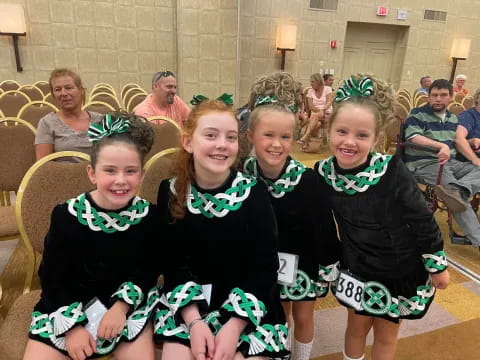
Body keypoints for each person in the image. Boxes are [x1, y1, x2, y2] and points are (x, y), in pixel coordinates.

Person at [314, 75, 449, 360]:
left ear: (376, 139)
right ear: (329, 130)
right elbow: (318, 224)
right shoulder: (322, 173)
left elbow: (421, 218)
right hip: (356, 265)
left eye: (362, 136)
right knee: (355, 328)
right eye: (342, 131)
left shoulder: (391, 169)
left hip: (399, 268)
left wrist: (436, 265)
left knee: (386, 336)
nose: (349, 142)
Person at [154, 99, 289, 360]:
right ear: (188, 142)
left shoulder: (253, 191)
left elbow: (264, 265)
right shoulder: (169, 191)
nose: (222, 145)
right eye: (211, 135)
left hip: (248, 302)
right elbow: (172, 264)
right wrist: (194, 323)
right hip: (190, 304)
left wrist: (234, 327)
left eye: (230, 137)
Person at [24, 112, 161, 360]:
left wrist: (121, 308)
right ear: (92, 173)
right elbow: (53, 275)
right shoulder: (66, 215)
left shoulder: (149, 216)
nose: (121, 180)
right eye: (110, 170)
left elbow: (147, 269)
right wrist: (73, 328)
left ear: (142, 175)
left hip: (126, 305)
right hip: (69, 302)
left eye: (131, 171)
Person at [244, 98, 340, 360]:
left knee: (303, 315)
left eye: (285, 137)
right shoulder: (243, 174)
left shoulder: (308, 180)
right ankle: (281, 353)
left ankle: (301, 357)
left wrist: (328, 264)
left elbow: (324, 225)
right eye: (268, 135)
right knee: (279, 311)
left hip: (304, 260)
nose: (277, 144)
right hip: (266, 259)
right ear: (251, 136)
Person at [404, 79, 480, 247]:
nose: (438, 99)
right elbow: (413, 137)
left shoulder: (452, 118)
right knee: (457, 200)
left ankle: (460, 189)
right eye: (434, 95)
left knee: (456, 192)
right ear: (428, 97)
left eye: (443, 95)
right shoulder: (417, 114)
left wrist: (471, 140)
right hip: (425, 163)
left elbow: (456, 141)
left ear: (451, 97)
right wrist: (440, 146)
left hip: (450, 162)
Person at [35, 68, 103, 160]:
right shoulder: (47, 123)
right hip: (61, 174)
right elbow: (42, 166)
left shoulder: (100, 120)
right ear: (53, 94)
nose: (63, 93)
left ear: (81, 90)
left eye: (69, 88)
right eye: (57, 89)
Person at [298, 73, 333, 151]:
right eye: (311, 82)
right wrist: (319, 111)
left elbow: (329, 102)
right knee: (317, 123)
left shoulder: (327, 89)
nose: (311, 83)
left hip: (327, 112)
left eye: (312, 82)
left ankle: (305, 139)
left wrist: (322, 110)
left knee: (315, 118)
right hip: (316, 113)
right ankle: (312, 144)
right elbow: (310, 106)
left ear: (318, 81)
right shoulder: (310, 91)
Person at [456, 88, 480, 166]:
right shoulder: (468, 116)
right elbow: (458, 139)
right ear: (477, 98)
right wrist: (475, 160)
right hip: (469, 162)